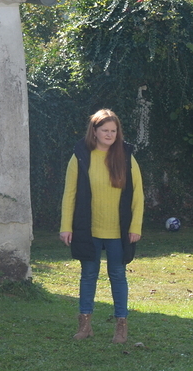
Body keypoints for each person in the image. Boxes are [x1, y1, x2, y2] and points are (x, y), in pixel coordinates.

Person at [60, 109, 144, 344]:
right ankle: (85, 325)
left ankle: (121, 326)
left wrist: (135, 226)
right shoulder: (80, 157)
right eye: (105, 130)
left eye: (113, 131)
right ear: (94, 132)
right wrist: (66, 226)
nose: (109, 135)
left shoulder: (126, 157)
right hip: (88, 229)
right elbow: (69, 194)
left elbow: (138, 195)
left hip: (118, 231)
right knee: (88, 275)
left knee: (118, 275)